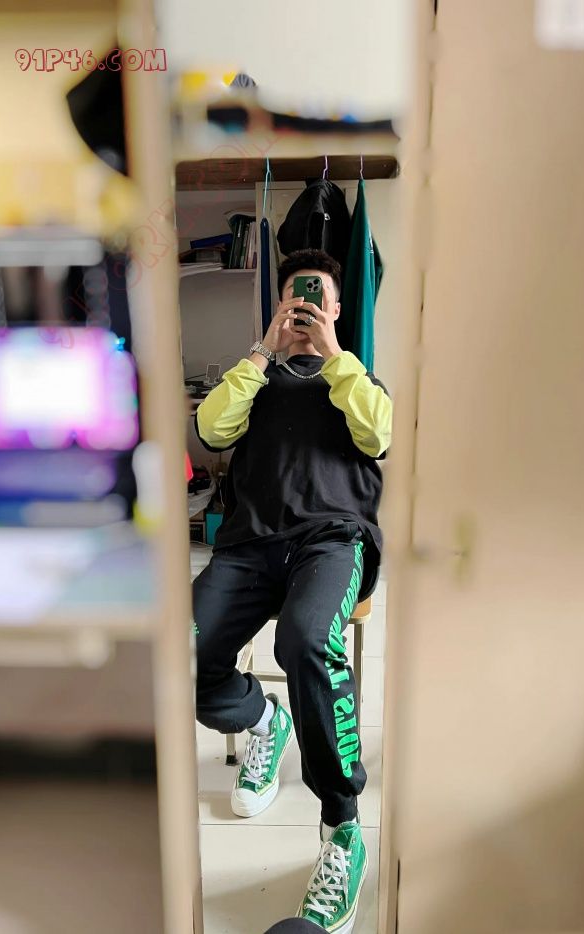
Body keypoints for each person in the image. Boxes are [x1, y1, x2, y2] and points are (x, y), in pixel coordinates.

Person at [193, 248, 392, 933]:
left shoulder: (357, 378)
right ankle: (262, 721)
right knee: (184, 652)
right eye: (293, 298)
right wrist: (261, 351)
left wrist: (335, 355)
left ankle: (341, 826)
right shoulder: (255, 379)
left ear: (336, 308)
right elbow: (210, 430)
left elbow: (379, 434)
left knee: (306, 641)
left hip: (331, 541)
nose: (305, 308)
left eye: (317, 298)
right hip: (250, 543)